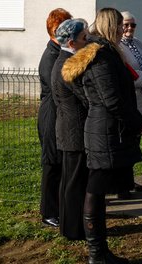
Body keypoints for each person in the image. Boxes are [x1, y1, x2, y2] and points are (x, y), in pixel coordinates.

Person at [62, 8, 142, 264]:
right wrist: (135, 122)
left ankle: (99, 251)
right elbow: (111, 99)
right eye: (120, 26)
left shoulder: (103, 53)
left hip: (104, 128)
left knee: (96, 190)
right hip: (104, 131)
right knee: (95, 190)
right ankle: (97, 253)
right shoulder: (101, 56)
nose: (124, 30)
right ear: (111, 26)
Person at [51, 17, 90, 240]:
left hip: (68, 128)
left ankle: (69, 227)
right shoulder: (68, 65)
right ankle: (74, 230)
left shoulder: (63, 60)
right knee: (75, 182)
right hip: (74, 131)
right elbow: (84, 98)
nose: (88, 41)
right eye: (84, 38)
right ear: (72, 42)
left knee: (70, 181)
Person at [37, 7, 72, 228]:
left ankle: (61, 207)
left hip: (61, 113)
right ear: (55, 30)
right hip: (51, 114)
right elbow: (58, 87)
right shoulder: (51, 56)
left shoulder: (60, 52)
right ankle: (48, 212)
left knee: (61, 163)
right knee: (52, 163)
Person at [118, 11, 142, 198]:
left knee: (135, 144)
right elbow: (124, 76)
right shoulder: (117, 46)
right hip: (129, 99)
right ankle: (123, 183)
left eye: (132, 25)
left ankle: (129, 179)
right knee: (127, 144)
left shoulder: (139, 44)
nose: (129, 28)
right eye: (126, 25)